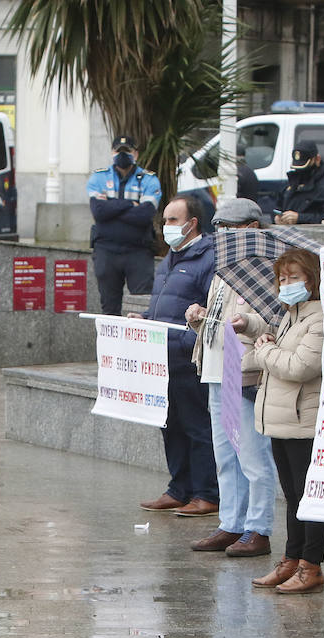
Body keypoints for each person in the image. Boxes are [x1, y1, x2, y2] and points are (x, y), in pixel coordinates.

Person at [184, 198, 318, 558]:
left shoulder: (271, 271)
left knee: (253, 458)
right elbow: (218, 317)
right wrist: (198, 318)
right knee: (225, 453)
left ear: (251, 228)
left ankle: (258, 527)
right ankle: (231, 522)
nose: (221, 234)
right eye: (219, 228)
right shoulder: (226, 268)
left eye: (228, 227)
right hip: (216, 367)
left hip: (245, 369)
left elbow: (276, 323)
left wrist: (248, 324)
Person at [233, 249, 324, 594]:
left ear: (312, 279)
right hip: (281, 418)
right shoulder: (290, 315)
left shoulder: (320, 318)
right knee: (292, 495)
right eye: (282, 278)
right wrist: (268, 344)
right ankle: (291, 559)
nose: (286, 284)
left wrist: (264, 352)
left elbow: (300, 366)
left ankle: (310, 565)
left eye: (294, 277)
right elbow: (281, 355)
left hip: (305, 419)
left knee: (309, 496)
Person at [137, 194, 218, 518]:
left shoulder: (207, 257)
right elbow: (163, 303)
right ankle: (179, 488)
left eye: (172, 220)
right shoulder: (171, 257)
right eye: (165, 220)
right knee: (169, 425)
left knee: (197, 426)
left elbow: (211, 306)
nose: (165, 227)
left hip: (187, 356)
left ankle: (206, 493)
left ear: (191, 223)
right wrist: (144, 318)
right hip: (161, 356)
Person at [88, 134, 161, 315]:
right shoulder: (99, 178)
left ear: (135, 154)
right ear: (112, 152)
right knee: (109, 308)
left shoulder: (149, 179)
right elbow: (99, 212)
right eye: (118, 151)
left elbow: (144, 215)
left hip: (139, 251)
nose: (122, 154)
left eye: (127, 151)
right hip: (106, 250)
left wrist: (111, 206)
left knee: (142, 307)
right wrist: (129, 204)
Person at [273, 141, 324, 226]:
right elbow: (278, 206)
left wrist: (300, 218)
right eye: (297, 168)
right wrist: (277, 217)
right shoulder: (293, 181)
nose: (300, 172)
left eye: (304, 167)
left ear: (317, 159)